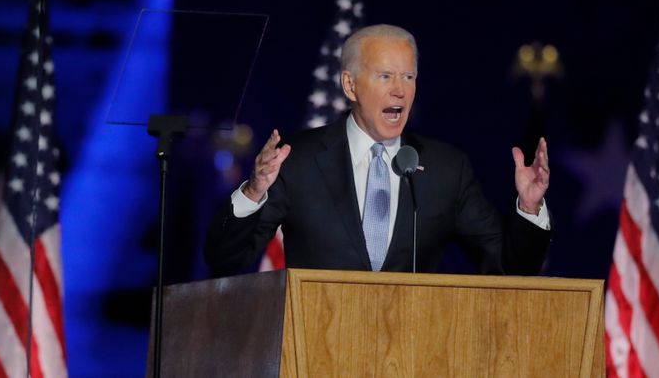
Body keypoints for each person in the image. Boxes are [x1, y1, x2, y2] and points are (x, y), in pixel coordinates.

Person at [205, 24, 551, 277]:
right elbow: (226, 259)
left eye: (409, 77)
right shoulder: (299, 161)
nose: (400, 91)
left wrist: (529, 206)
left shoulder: (446, 169)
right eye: (386, 76)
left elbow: (509, 267)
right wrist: (253, 191)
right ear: (350, 85)